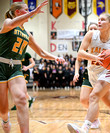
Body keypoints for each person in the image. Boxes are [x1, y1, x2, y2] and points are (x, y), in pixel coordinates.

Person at [0, 1, 65, 132]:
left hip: (16, 68)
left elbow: (40, 52)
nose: (29, 13)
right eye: (26, 10)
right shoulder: (8, 22)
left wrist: (55, 57)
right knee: (3, 108)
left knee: (22, 99)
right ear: (17, 12)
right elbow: (13, 24)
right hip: (1, 65)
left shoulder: (26, 33)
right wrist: (33, 12)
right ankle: (5, 121)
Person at [73, 23, 101, 129]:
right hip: (88, 74)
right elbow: (78, 59)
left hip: (100, 75)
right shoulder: (85, 43)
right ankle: (93, 115)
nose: (93, 30)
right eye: (91, 29)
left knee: (93, 99)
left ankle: (94, 119)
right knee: (84, 99)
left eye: (95, 28)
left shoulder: (103, 42)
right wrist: (76, 72)